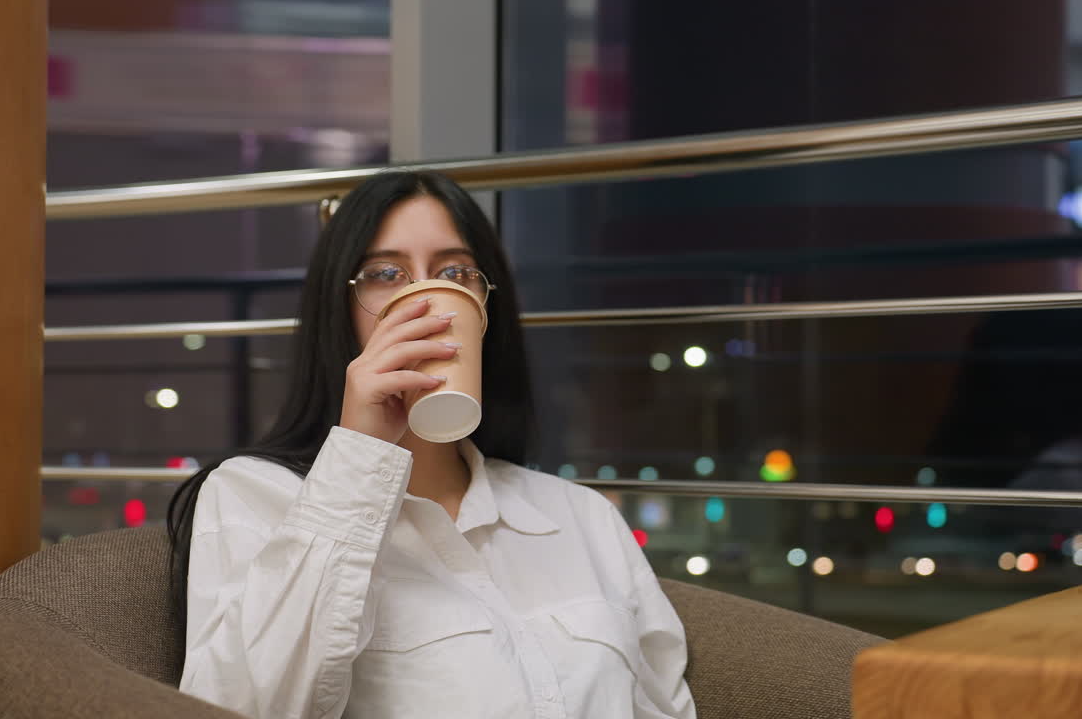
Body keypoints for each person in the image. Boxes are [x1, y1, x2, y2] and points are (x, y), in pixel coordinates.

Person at [167, 171, 695, 719]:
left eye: (454, 272)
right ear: (341, 310)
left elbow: (664, 706)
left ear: (486, 309)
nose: (425, 300)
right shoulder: (251, 496)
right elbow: (241, 706)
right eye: (386, 273)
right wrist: (359, 454)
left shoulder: (580, 515)